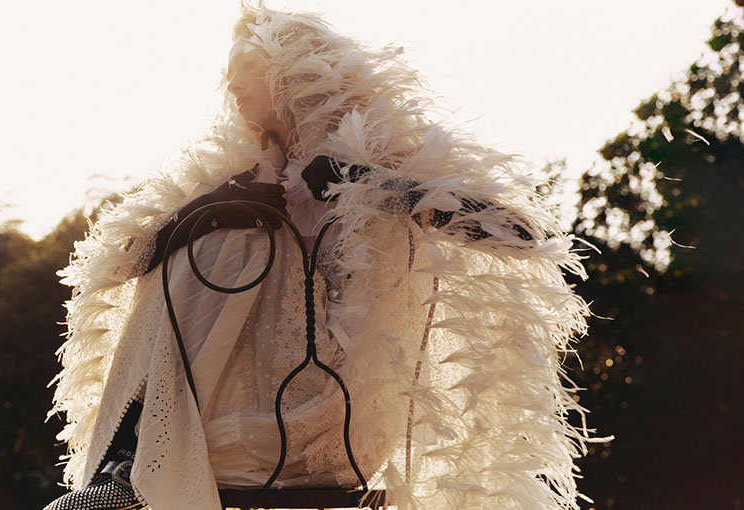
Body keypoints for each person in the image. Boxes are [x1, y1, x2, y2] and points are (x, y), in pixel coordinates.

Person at [45, 5, 594, 510]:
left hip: (341, 413)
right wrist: (212, 209)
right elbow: (120, 264)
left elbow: (519, 232)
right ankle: (127, 461)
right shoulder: (239, 176)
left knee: (212, 245)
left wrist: (369, 185)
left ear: (293, 71)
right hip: (234, 406)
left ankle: (131, 467)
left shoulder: (379, 154)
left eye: (248, 67)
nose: (232, 84)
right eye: (227, 73)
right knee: (198, 245)